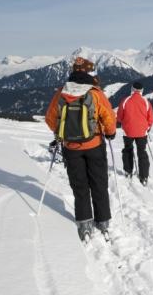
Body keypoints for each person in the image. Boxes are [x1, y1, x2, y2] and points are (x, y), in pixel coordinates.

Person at [45, 57, 117, 241]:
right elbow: (108, 116)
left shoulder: (62, 93)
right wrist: (110, 133)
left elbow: (50, 119)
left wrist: (62, 132)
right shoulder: (95, 93)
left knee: (80, 186)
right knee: (99, 183)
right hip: (94, 145)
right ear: (88, 75)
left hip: (71, 147)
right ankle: (103, 221)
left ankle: (84, 223)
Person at [116, 81, 153, 186]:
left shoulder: (125, 100)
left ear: (132, 89)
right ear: (142, 91)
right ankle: (144, 176)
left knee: (128, 150)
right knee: (142, 152)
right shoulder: (146, 101)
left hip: (128, 131)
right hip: (142, 132)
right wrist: (147, 128)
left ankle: (128, 171)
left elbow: (119, 117)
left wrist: (122, 123)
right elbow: (151, 118)